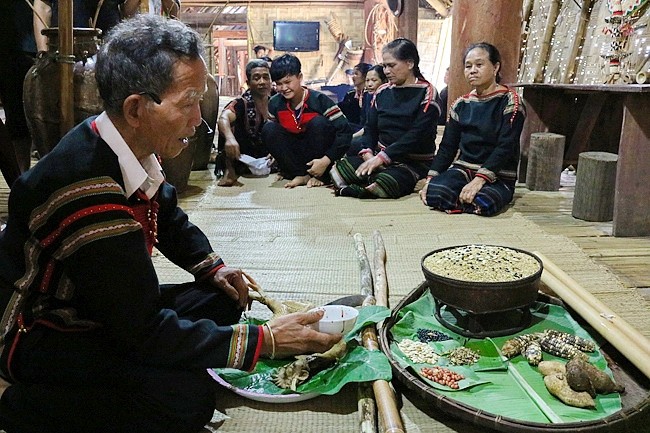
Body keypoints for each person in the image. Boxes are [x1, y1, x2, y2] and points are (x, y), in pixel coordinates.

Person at [0, 15, 340, 433]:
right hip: (40, 328)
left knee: (225, 300)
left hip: (105, 303)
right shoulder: (87, 191)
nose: (199, 119)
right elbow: (142, 330)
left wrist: (213, 268)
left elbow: (168, 216)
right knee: (184, 402)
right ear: (136, 108)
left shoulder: (125, 144)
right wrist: (264, 341)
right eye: (187, 102)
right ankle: (21, 404)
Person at [420, 42, 526, 216]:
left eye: (479, 64)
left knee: (485, 203)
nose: (472, 70)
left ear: (495, 67)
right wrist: (430, 179)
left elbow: (506, 146)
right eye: (468, 66)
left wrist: (480, 180)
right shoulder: (461, 104)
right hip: (463, 168)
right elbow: (447, 147)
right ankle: (461, 199)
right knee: (435, 192)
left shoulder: (511, 101)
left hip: (498, 173)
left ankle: (459, 200)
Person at [330, 38, 440, 199]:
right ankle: (369, 184)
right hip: (379, 158)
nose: (387, 71)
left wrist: (382, 158)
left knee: (387, 182)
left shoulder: (427, 92)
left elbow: (417, 135)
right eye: (385, 66)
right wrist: (368, 152)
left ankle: (362, 186)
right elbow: (370, 128)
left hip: (413, 162)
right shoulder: (382, 91)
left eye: (392, 65)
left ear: (410, 63)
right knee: (339, 169)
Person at [262, 54, 352, 189]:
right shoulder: (274, 103)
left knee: (318, 123)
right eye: (279, 84)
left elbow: (345, 132)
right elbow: (277, 136)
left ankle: (320, 175)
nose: (283, 88)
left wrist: (326, 159)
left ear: (300, 78)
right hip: (296, 155)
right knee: (269, 128)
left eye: (288, 82)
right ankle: (300, 175)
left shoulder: (320, 100)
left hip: (320, 156)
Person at [216, 59, 272, 187]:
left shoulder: (275, 101)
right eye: (256, 78)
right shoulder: (241, 103)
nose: (262, 82)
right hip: (242, 153)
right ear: (248, 83)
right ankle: (230, 170)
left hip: (267, 154)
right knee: (228, 126)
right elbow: (223, 118)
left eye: (265, 77)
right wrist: (230, 139)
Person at [0, 0, 37, 186]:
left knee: (20, 117)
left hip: (21, 42)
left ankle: (21, 182)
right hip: (11, 40)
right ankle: (19, 184)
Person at [32, 0, 140, 51]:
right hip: (64, 46)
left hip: (108, 48)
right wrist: (43, 51)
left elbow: (126, 11)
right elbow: (42, 5)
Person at [338, 62, 372, 133]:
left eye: (356, 74)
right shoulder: (350, 95)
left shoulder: (370, 95)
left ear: (365, 76)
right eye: (352, 74)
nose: (353, 76)